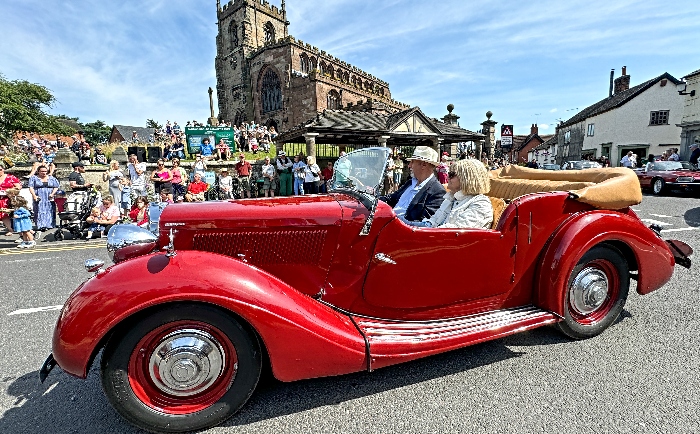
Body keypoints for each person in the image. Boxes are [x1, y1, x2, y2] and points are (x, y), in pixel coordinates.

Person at [400, 159, 493, 229]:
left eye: (451, 175)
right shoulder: (451, 198)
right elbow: (431, 223)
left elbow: (455, 232)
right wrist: (402, 224)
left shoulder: (480, 203)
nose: (447, 177)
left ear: (466, 179)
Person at [382, 146, 445, 223]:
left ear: (424, 165)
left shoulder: (437, 191)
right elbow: (391, 198)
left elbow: (423, 224)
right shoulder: (410, 183)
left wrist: (394, 221)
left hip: (402, 230)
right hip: (387, 223)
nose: (409, 166)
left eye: (412, 162)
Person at [28, 165, 60, 232]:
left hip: (49, 196)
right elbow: (31, 187)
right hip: (39, 196)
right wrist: (34, 196)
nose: (44, 173)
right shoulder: (34, 178)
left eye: (45, 171)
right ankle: (41, 225)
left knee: (50, 209)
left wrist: (52, 193)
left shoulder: (51, 178)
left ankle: (50, 224)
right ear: (38, 171)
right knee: (39, 210)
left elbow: (56, 186)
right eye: (42, 171)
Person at [0, 166, 22, 237]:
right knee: (3, 215)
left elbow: (18, 187)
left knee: (9, 215)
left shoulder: (10, 177)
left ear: (3, 169)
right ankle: (11, 229)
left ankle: (24, 233)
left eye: (0, 169)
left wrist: (9, 191)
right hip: (0, 199)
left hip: (9, 199)